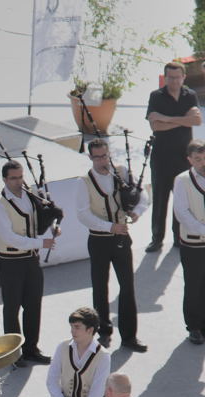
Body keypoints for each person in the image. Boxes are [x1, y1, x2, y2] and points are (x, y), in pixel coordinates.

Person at [76, 139, 148, 351]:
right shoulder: (84, 181)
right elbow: (83, 214)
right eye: (97, 157)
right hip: (98, 239)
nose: (102, 161)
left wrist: (137, 212)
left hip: (121, 238)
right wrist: (109, 227)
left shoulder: (121, 172)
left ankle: (129, 336)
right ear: (90, 157)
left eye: (104, 156)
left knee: (127, 286)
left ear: (109, 154)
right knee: (100, 287)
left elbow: (141, 193)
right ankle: (103, 331)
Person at [0, 160, 57, 364]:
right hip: (10, 262)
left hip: (31, 260)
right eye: (13, 178)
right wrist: (41, 242)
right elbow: (9, 237)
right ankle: (13, 353)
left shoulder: (29, 195)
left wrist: (52, 226)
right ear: (4, 179)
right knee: (12, 308)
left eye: (20, 177)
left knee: (33, 305)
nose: (18, 182)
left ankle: (31, 349)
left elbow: (41, 218)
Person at [146, 61, 202, 253]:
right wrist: (182, 120)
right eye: (170, 77)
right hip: (161, 157)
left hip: (183, 157)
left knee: (181, 200)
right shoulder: (156, 96)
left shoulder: (190, 95)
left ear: (183, 77)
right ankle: (157, 239)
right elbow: (155, 126)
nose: (174, 81)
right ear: (165, 77)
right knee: (160, 200)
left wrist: (167, 118)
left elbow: (196, 120)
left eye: (177, 77)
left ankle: (179, 238)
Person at [172, 139, 205, 345]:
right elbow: (181, 212)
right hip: (193, 243)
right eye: (198, 159)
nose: (203, 162)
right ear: (189, 160)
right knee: (193, 285)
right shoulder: (182, 180)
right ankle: (193, 326)